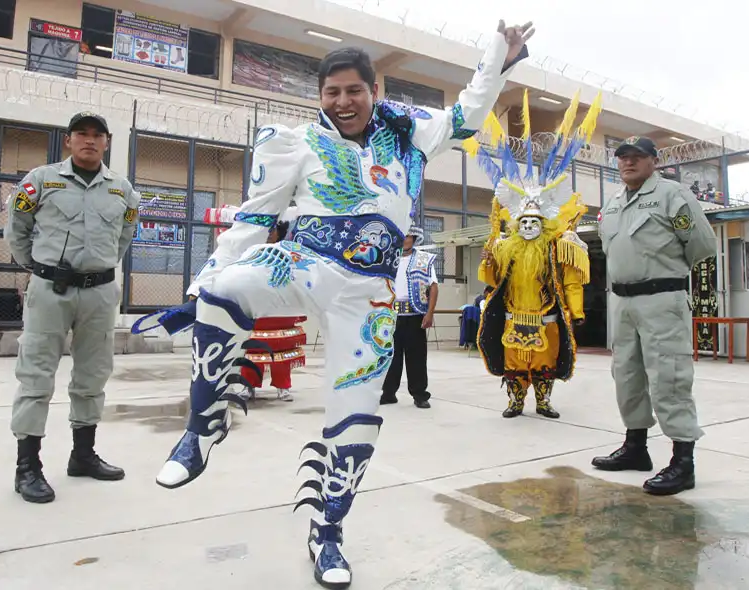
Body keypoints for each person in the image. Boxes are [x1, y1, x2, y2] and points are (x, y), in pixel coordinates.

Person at [130, 20, 534, 589]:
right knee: (222, 290)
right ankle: (202, 427)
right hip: (304, 262)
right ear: (319, 96)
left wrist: (500, 52)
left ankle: (328, 533)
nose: (343, 102)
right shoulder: (292, 141)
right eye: (331, 92)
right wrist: (200, 285)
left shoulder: (412, 133)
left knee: (357, 422)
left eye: (354, 90)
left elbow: (468, 112)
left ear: (373, 91)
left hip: (371, 294)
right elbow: (255, 216)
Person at [4, 111, 140, 504]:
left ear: (107, 142)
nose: (90, 140)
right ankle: (27, 466)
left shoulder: (122, 190)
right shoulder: (41, 181)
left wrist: (98, 267)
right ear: (68, 140)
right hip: (51, 289)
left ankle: (83, 455)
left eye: (98, 135)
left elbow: (125, 235)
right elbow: (17, 231)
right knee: (36, 374)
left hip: (99, 292)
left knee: (93, 373)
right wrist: (40, 268)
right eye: (82, 133)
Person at [591, 136, 717, 496]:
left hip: (662, 299)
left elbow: (702, 245)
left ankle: (683, 462)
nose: (628, 163)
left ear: (653, 161)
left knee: (669, 376)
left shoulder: (671, 195)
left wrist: (665, 273)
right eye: (623, 157)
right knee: (627, 375)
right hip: (622, 301)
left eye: (637, 157)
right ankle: (635, 448)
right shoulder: (614, 203)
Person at [473, 90, 597, 421]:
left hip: (547, 318)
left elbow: (571, 281)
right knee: (514, 363)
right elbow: (491, 278)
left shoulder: (558, 247)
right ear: (517, 223)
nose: (528, 225)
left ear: (544, 224)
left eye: (534, 222)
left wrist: (577, 310)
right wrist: (487, 258)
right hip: (514, 315)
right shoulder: (504, 247)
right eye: (523, 221)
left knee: (545, 362)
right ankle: (515, 401)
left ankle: (543, 401)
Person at [239, 216, 307, 402]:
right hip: (257, 307)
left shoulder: (287, 252)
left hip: (281, 307)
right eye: (266, 229)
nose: (269, 233)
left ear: (280, 230)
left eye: (273, 229)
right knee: (254, 348)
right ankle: (248, 385)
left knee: (282, 348)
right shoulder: (251, 251)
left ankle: (283, 386)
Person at [380, 226, 437, 409]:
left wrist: (429, 313)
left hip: (415, 315)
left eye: (408, 236)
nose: (405, 239)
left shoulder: (423, 259)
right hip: (391, 315)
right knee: (390, 356)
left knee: (417, 357)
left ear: (414, 238)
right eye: (401, 236)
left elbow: (433, 287)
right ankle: (388, 393)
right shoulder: (388, 259)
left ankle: (419, 394)